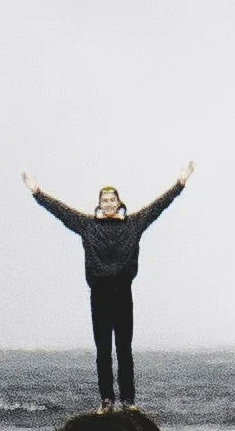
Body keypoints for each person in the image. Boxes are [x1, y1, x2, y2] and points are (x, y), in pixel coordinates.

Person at [22, 163, 190, 406]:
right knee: (103, 352)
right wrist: (37, 192)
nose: (109, 203)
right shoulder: (87, 225)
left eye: (113, 200)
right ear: (99, 204)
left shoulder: (133, 224)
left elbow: (158, 207)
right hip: (99, 294)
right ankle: (107, 399)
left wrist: (180, 184)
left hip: (123, 292)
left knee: (124, 350)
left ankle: (129, 401)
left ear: (119, 202)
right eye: (105, 200)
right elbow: (61, 211)